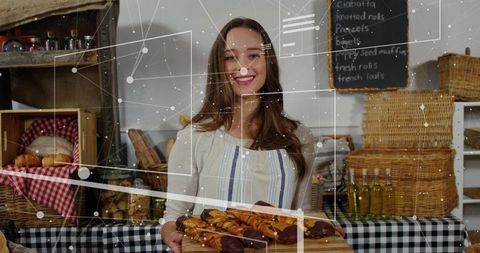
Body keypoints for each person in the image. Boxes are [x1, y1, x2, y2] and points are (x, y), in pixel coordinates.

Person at [160, 17, 315, 252]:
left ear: (269, 62)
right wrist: (171, 234)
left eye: (254, 55)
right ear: (218, 66)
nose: (243, 67)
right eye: (230, 57)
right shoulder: (194, 137)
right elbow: (174, 215)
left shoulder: (299, 137)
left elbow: (303, 213)